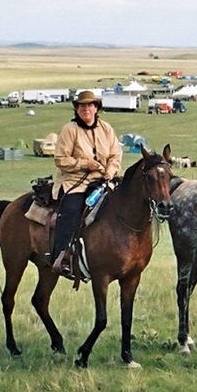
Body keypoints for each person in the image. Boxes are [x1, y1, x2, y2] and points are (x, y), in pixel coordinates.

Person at [51, 90, 122, 276]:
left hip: (103, 181)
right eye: (82, 105)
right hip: (75, 181)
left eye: (90, 105)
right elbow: (60, 159)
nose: (86, 109)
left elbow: (116, 154)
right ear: (77, 109)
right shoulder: (69, 130)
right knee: (72, 211)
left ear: (96, 108)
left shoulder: (106, 128)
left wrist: (112, 169)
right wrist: (85, 164)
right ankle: (63, 256)